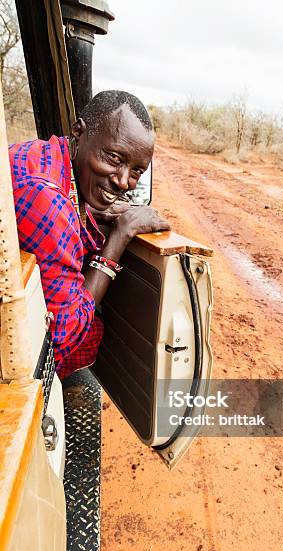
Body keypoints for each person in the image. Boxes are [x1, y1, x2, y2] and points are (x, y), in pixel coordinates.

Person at [9, 90, 169, 380]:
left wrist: (88, 212)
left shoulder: (43, 156)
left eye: (136, 171)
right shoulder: (48, 201)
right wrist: (120, 235)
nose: (123, 181)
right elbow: (61, 342)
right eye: (113, 157)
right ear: (78, 132)